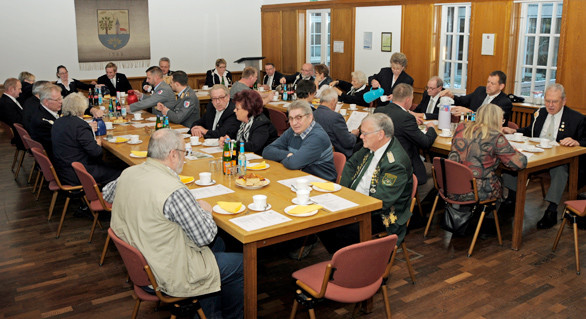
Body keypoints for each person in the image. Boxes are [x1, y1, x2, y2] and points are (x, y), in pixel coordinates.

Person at [102, 128, 243, 319]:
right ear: (173, 155)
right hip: (166, 272)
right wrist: (206, 213)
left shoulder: (128, 173)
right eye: (184, 153)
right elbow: (205, 236)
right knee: (241, 263)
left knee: (219, 245)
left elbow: (107, 194)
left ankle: (207, 311)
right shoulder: (174, 191)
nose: (184, 158)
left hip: (144, 257)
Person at [319, 113, 413, 253]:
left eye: (364, 133)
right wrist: (345, 194)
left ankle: (351, 263)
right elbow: (350, 164)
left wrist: (351, 205)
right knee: (321, 218)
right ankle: (344, 260)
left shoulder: (395, 164)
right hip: (358, 202)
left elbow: (381, 202)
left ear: (380, 134)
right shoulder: (370, 146)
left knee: (336, 227)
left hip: (383, 215)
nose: (361, 136)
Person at [502, 83, 586, 229]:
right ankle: (511, 198)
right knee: (512, 159)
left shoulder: (576, 118)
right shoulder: (540, 113)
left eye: (554, 101)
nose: (550, 105)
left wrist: (576, 141)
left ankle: (551, 210)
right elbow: (530, 131)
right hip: (536, 156)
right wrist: (514, 131)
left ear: (564, 101)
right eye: (547, 101)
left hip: (558, 160)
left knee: (560, 170)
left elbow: (585, 140)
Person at [448, 103, 527, 203]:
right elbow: (520, 164)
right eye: (502, 120)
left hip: (451, 183)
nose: (502, 123)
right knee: (499, 181)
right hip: (477, 190)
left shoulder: (462, 127)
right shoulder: (495, 136)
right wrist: (513, 149)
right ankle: (489, 215)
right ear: (496, 119)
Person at [375, 83, 437, 199]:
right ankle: (413, 201)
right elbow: (425, 142)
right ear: (408, 99)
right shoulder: (406, 118)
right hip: (403, 164)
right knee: (437, 173)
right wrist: (432, 128)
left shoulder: (379, 110)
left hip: (382, 160)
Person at [51, 93, 122, 186]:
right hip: (80, 174)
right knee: (122, 171)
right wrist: (97, 144)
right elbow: (96, 153)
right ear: (82, 108)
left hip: (63, 170)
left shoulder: (58, 121)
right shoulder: (80, 126)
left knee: (111, 164)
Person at [263, 100, 337, 182]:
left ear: (310, 117)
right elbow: (267, 151)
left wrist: (281, 158)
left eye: (299, 118)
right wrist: (288, 154)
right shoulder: (292, 130)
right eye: (291, 118)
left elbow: (293, 163)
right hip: (298, 179)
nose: (294, 123)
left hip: (321, 184)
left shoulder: (317, 137)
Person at [218, 90, 278, 155]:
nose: (234, 110)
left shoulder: (261, 124)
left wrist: (232, 144)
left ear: (248, 110)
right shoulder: (242, 121)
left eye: (237, 109)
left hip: (264, 159)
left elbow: (253, 146)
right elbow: (233, 135)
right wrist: (225, 140)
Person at [440, 70, 513, 123]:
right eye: (488, 82)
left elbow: (489, 121)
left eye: (492, 83)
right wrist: (451, 96)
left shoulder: (505, 102)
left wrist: (470, 114)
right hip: (471, 130)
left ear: (501, 86)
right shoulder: (480, 91)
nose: (488, 85)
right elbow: (462, 101)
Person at [313, 88, 359, 158]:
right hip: (338, 154)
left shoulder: (313, 114)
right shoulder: (336, 117)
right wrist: (354, 135)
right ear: (333, 101)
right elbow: (348, 143)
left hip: (318, 152)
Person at [28, 84, 62, 159]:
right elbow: (61, 140)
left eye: (61, 98)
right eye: (58, 99)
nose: (61, 102)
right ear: (46, 102)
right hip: (57, 158)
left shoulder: (44, 109)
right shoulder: (42, 122)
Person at [0, 78, 24, 149]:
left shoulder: (8, 100)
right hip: (20, 137)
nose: (21, 91)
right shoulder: (6, 103)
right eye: (19, 89)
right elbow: (17, 121)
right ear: (11, 89)